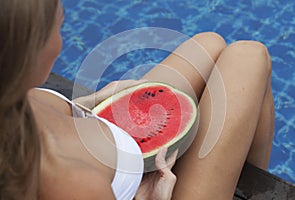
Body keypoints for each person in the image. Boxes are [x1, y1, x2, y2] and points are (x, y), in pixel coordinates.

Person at [0, 0, 274, 199]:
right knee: (249, 56)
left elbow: (65, 120)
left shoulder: (15, 100)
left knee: (208, 42)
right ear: (27, 54)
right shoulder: (73, 184)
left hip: (123, 146)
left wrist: (94, 100)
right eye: (58, 26)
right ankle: (254, 189)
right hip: (151, 189)